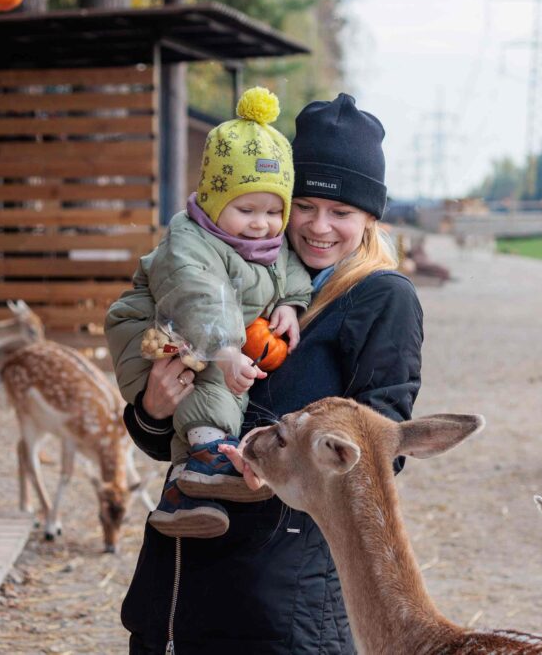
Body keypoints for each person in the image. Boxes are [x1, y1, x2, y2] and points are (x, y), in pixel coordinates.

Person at [116, 93, 423, 655]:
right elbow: (160, 437)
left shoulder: (380, 298)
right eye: (303, 205)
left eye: (342, 212)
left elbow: (384, 451)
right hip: (178, 577)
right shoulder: (226, 272)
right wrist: (153, 408)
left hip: (281, 593)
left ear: (370, 219)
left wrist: (278, 464)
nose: (318, 227)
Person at [107, 87, 313, 540]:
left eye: (274, 210)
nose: (261, 222)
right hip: (153, 332)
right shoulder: (191, 242)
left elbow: (291, 270)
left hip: (207, 340)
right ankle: (206, 457)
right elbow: (197, 297)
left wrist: (291, 305)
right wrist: (225, 350)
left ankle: (185, 500)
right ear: (216, 201)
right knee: (216, 378)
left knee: (220, 377)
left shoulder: (265, 244)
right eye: (246, 209)